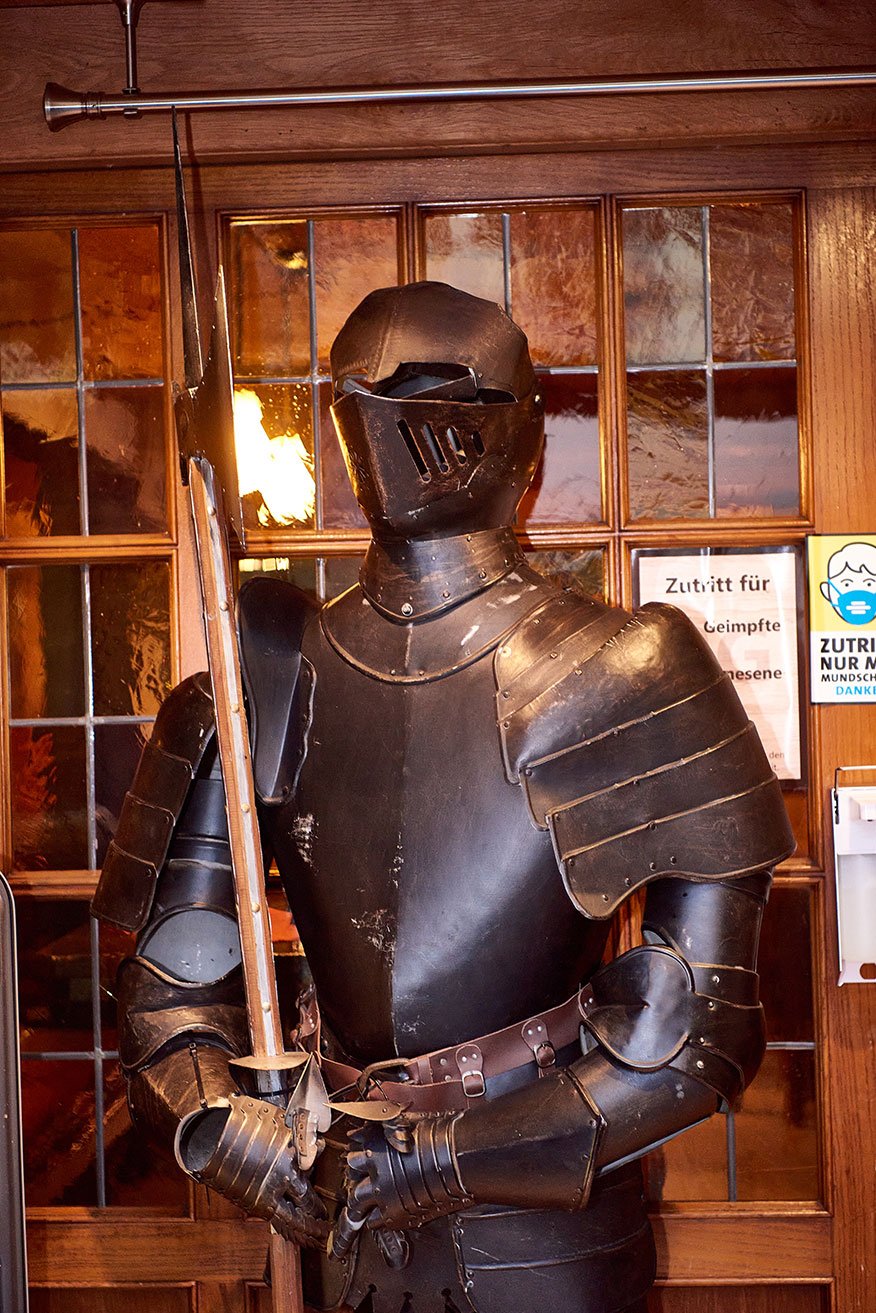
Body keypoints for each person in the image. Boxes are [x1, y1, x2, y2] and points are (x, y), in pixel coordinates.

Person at [92, 281, 794, 1313]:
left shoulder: (629, 669)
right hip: (342, 1216)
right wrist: (232, 1128)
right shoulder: (264, 677)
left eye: (443, 406)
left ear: (519, 444)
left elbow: (695, 1031)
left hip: (546, 1230)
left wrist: (439, 1160)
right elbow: (168, 992)